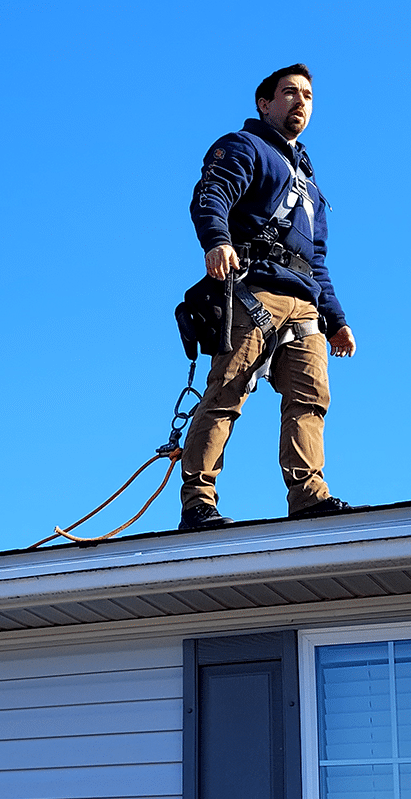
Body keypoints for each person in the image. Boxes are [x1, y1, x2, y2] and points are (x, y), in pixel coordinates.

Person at [179, 64, 356, 530]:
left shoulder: (312, 187)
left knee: (310, 399)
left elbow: (317, 257)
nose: (301, 101)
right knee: (226, 392)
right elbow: (211, 193)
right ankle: (198, 502)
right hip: (252, 291)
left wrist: (336, 318)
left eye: (308, 96)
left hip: (305, 307)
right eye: (289, 92)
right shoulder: (245, 147)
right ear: (265, 103)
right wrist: (218, 241)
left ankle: (309, 496)